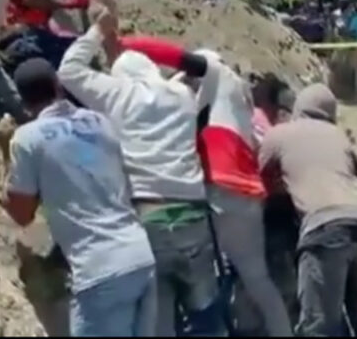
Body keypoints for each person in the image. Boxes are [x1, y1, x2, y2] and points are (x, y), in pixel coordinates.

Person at [57, 11, 223, 337]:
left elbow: (68, 71)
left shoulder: (117, 93)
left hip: (147, 216)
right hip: (193, 215)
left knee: (157, 318)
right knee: (205, 313)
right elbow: (209, 70)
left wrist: (96, 31)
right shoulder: (183, 97)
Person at [118, 36, 294, 337]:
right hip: (247, 193)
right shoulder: (236, 98)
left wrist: (123, 43)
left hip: (221, 190)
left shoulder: (217, 74)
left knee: (197, 275)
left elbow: (178, 63)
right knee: (254, 277)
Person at [0, 58, 157, 337]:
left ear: (23, 102)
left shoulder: (27, 138)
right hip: (141, 255)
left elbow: (22, 214)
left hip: (100, 270)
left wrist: (5, 153)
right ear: (59, 87)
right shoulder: (101, 122)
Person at [259, 83, 357, 337]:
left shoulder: (279, 133)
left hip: (323, 230)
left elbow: (258, 173)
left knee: (319, 323)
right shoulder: (337, 134)